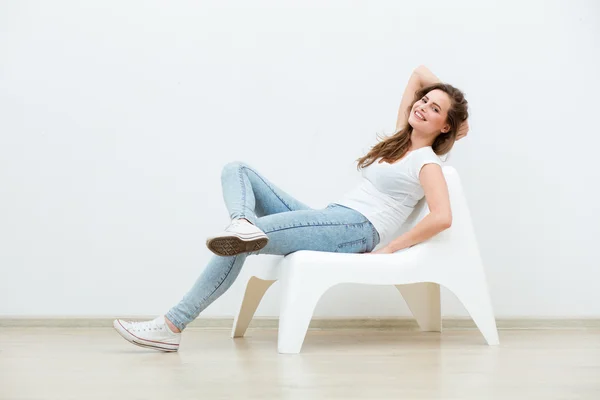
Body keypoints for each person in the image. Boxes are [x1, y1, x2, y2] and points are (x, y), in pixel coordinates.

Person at [113, 65, 470, 352]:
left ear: (444, 127)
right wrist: (452, 107)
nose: (422, 107)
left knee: (244, 239)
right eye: (424, 102)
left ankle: (172, 325)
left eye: (434, 109)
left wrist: (390, 249)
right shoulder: (400, 140)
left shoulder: (426, 161)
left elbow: (442, 216)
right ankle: (241, 221)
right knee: (237, 170)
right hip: (334, 217)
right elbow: (418, 74)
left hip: (356, 229)